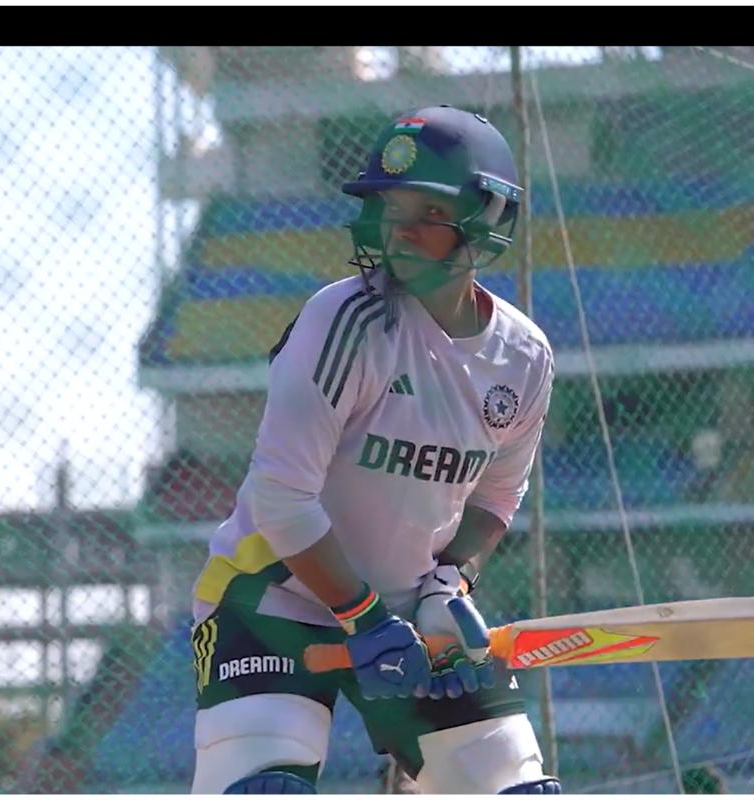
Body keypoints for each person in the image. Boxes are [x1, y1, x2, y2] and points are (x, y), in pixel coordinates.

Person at [189, 105, 558, 795]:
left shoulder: (525, 358)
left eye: (426, 210)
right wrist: (363, 618)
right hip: (269, 606)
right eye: (390, 209)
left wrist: (450, 583)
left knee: (515, 791)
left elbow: (496, 497)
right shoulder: (346, 320)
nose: (400, 231)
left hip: (408, 623)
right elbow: (281, 497)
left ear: (487, 218)